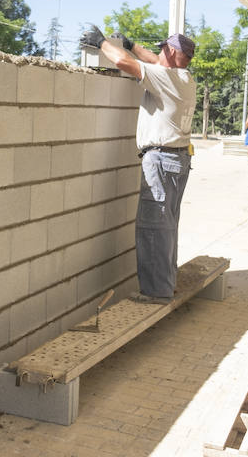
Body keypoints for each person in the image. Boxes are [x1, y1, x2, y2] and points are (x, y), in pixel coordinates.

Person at [79, 26, 196, 304]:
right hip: (178, 158)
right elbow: (152, 60)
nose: (156, 53)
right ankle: (166, 283)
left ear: (172, 52)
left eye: (162, 49)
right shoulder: (184, 77)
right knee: (167, 225)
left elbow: (122, 63)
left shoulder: (166, 78)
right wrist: (130, 44)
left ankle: (156, 293)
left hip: (162, 160)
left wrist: (101, 42)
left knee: (153, 226)